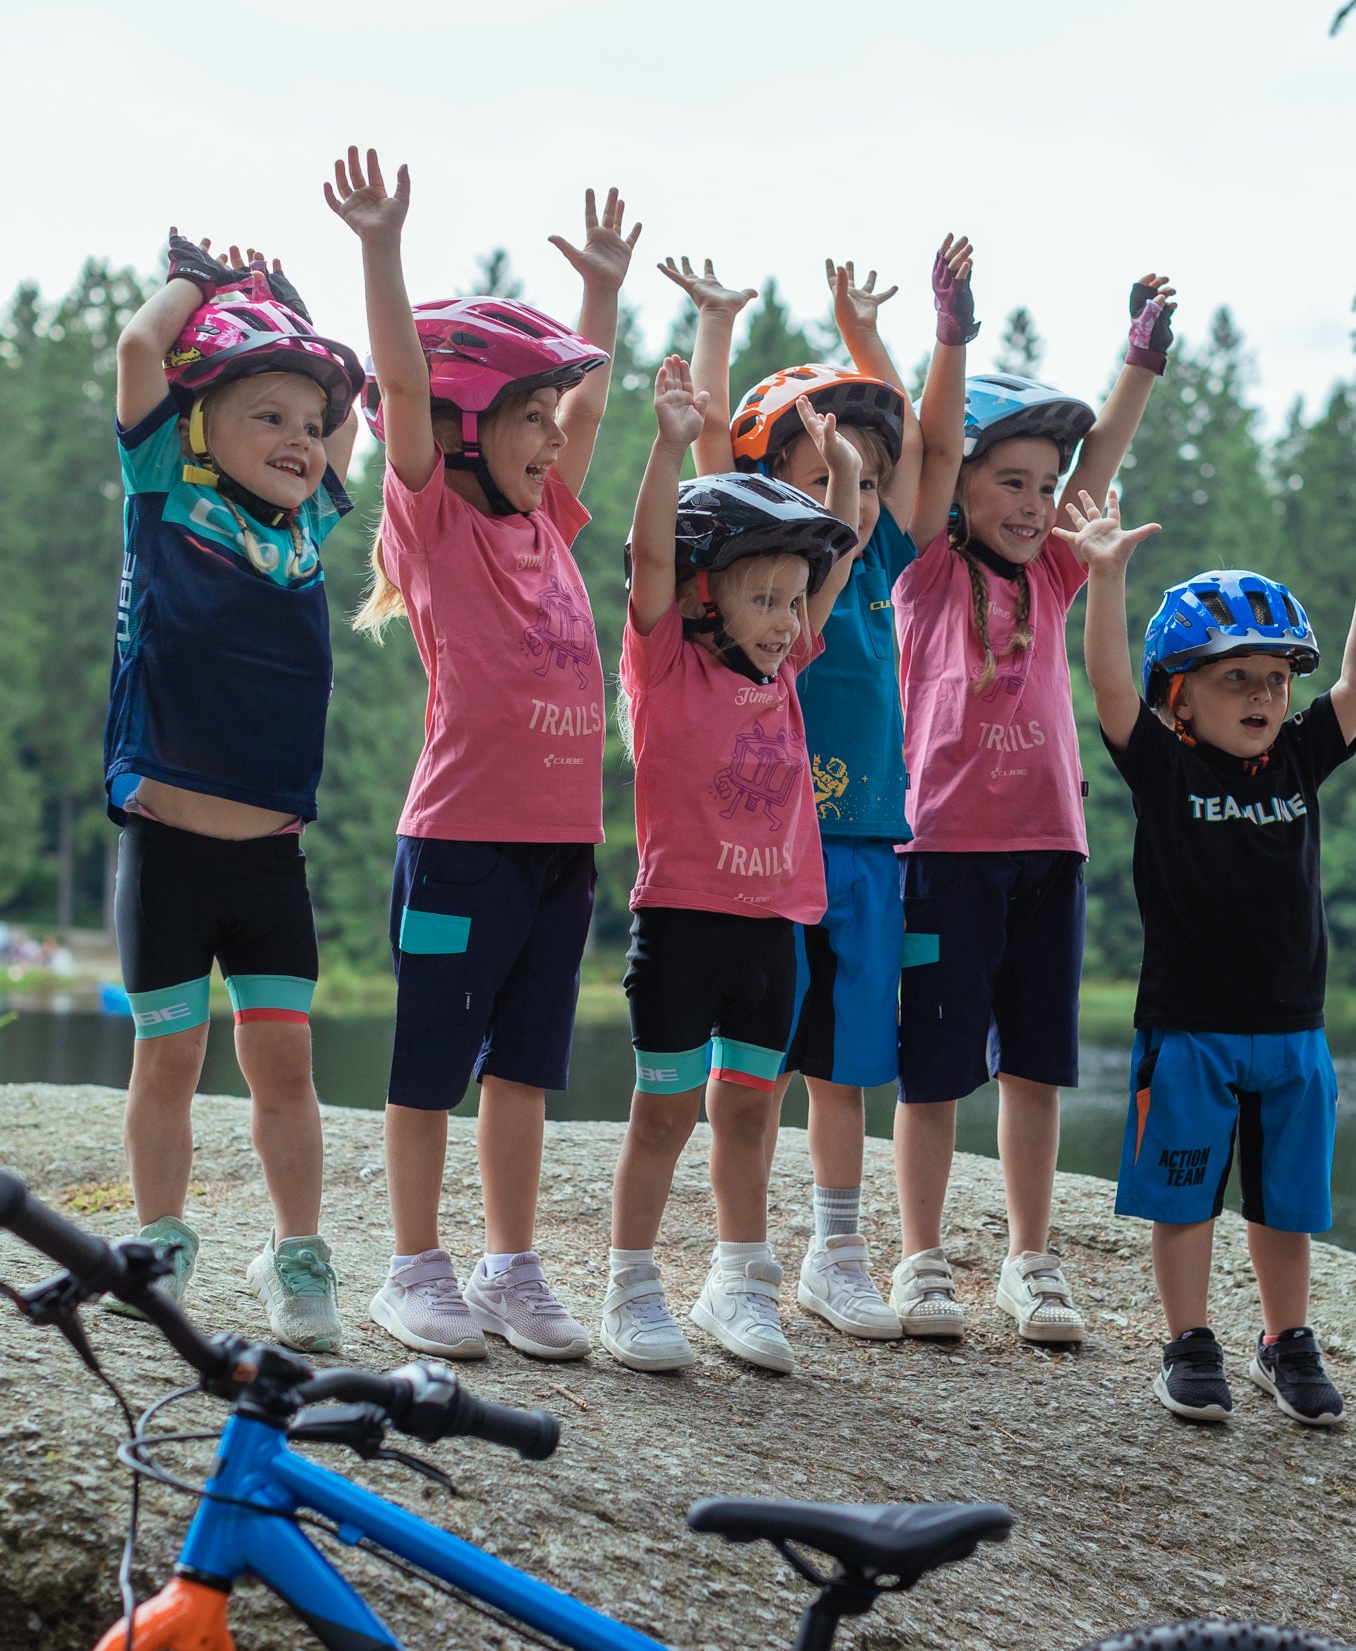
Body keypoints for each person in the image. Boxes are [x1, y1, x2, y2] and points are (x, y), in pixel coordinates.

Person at [326, 146, 637, 1363]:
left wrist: (599, 296)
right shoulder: (439, 517)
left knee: (524, 1070)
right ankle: (414, 1269)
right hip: (458, 847)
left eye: (551, 423)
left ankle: (511, 1267)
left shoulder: (547, 518)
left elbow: (594, 409)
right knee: (428, 1071)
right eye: (526, 420)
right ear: (466, 431)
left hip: (562, 849)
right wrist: (380, 249)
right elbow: (400, 389)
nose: (551, 441)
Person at [657, 240, 971, 1341]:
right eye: (829, 471)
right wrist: (717, 323)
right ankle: (734, 1258)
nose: (859, 493)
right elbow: (704, 446)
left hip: (869, 840)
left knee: (846, 1057)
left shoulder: (877, 561)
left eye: (870, 478)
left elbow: (930, 445)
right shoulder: (760, 580)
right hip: (764, 853)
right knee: (756, 1059)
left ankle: (837, 1249)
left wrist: (890, 336)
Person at [1074, 484, 1356, 1425]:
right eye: (1235, 679)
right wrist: (1105, 578)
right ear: (1178, 698)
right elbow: (1104, 683)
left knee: (1284, 1202)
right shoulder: (1163, 762)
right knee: (1185, 1196)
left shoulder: (1299, 757)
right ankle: (1186, 1339)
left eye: (1273, 678)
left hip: (1292, 1031)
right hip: (1189, 1026)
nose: (1262, 696)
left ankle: (1283, 1337)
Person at [887, 271, 1177, 1343]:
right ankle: (921, 1256)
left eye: (1040, 486)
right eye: (1007, 480)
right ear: (959, 485)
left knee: (1037, 1065)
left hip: (1047, 848)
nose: (1030, 502)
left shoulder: (1054, 572)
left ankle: (1027, 1258)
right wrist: (947, 335)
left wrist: (1136, 360)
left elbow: (1099, 466)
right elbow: (921, 447)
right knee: (932, 1071)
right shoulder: (918, 568)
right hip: (942, 851)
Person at [106, 231, 366, 1352]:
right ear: (200, 419)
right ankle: (159, 1239)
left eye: (308, 427)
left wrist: (286, 306)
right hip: (167, 842)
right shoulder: (164, 486)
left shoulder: (306, 524)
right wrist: (202, 285)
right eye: (269, 416)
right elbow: (135, 346)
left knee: (284, 1062)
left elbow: (351, 410)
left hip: (269, 859)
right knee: (168, 1055)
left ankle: (295, 1253)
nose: (301, 442)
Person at [600, 357, 862, 1373]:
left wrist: (838, 477)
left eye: (793, 604)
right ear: (706, 597)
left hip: (773, 927)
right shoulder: (663, 659)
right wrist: (668, 445)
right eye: (764, 599)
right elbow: (646, 557)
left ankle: (736, 1281)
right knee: (664, 1110)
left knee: (748, 1105)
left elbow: (832, 568)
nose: (789, 621)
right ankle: (630, 1285)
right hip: (682, 922)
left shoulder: (786, 660)